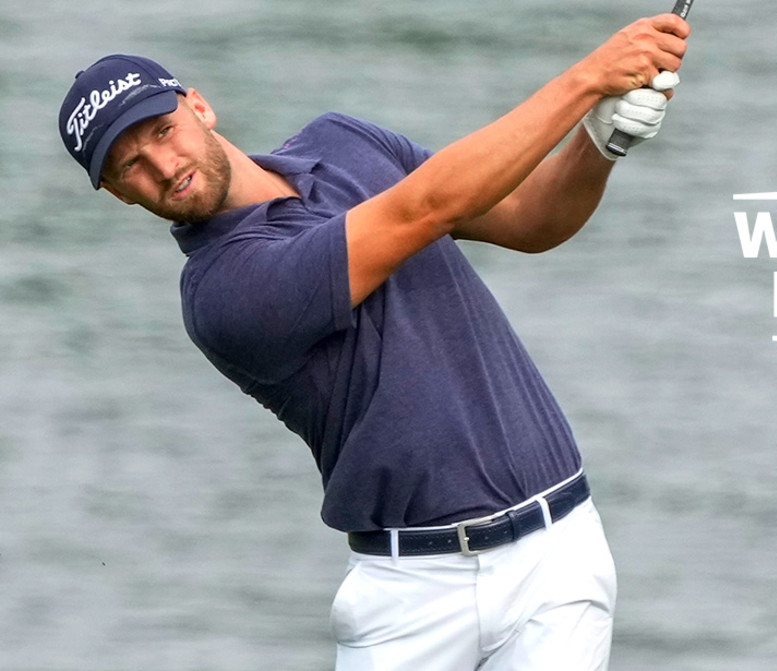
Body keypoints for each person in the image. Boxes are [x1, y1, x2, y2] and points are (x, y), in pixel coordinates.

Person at [58, 12, 690, 671]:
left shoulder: (344, 142)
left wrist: (598, 143)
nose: (164, 166)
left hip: (557, 559)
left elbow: (532, 218)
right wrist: (588, 80)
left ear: (199, 107)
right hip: (411, 597)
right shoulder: (223, 294)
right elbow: (425, 208)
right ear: (118, 193)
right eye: (131, 165)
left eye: (163, 131)